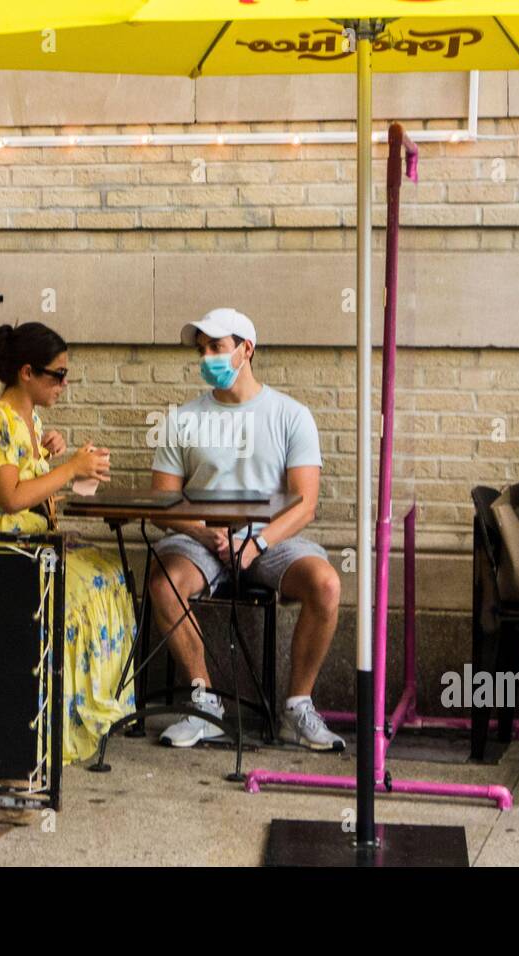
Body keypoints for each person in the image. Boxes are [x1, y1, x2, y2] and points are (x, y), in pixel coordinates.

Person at [148, 308, 344, 751]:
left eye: (217, 348)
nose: (207, 359)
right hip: (202, 539)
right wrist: (202, 533)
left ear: (246, 350)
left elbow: (304, 504)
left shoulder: (291, 416)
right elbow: (162, 504)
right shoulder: (182, 419)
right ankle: (204, 702)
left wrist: (255, 542)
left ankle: (297, 706)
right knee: (164, 584)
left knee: (327, 585)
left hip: (270, 540)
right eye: (202, 350)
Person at [0, 322, 134, 764]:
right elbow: (10, 498)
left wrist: (52, 456)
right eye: (58, 375)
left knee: (109, 572)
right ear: (27, 373)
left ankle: (85, 711)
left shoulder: (29, 420)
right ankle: (50, 723)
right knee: (78, 591)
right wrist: (69, 468)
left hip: (25, 542)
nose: (64, 385)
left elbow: (25, 478)